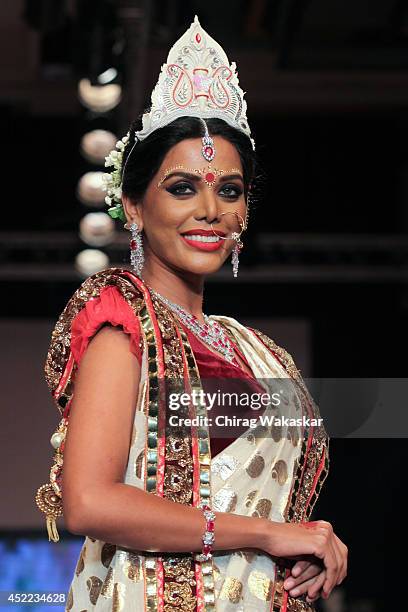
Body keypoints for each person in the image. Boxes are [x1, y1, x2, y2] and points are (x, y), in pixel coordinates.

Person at [36, 16, 347, 612]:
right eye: (182, 187)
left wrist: (313, 544)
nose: (209, 209)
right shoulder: (121, 319)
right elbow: (89, 503)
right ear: (132, 204)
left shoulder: (258, 350)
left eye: (229, 190)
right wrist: (267, 534)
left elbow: (273, 504)